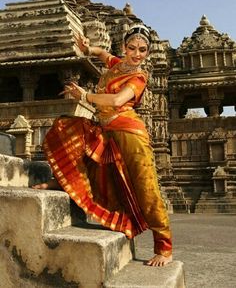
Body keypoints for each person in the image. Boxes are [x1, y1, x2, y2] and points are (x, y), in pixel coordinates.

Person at [36, 24, 172, 266]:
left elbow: (119, 99)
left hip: (130, 134)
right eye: (132, 48)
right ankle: (64, 180)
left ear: (148, 53)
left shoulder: (138, 76)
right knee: (70, 131)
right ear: (124, 47)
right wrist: (89, 48)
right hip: (107, 128)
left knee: (146, 187)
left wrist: (85, 97)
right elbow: (103, 55)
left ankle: (164, 246)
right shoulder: (118, 65)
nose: (137, 54)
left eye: (142, 50)